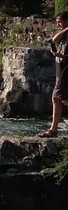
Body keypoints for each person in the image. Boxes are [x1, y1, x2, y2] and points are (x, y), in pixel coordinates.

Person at [38, 10, 68, 138]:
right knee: (62, 98)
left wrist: (62, 56)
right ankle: (53, 129)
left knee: (57, 97)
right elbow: (54, 39)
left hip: (66, 70)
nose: (58, 25)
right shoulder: (65, 34)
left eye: (60, 22)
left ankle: (53, 129)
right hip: (60, 69)